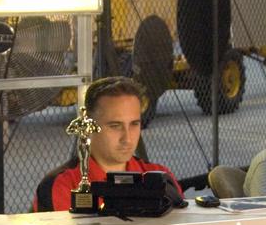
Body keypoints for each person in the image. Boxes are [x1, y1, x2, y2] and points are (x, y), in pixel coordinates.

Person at [33, 77, 182, 211]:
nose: (127, 138)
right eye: (115, 126)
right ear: (88, 125)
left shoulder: (160, 177)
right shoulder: (62, 185)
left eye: (134, 124)